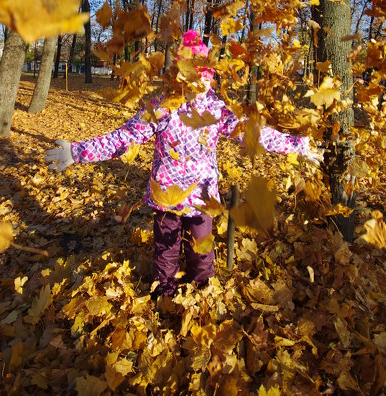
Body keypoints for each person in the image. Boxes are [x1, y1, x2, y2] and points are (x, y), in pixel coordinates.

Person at [45, 30, 321, 299]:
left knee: (202, 255)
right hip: (167, 197)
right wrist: (77, 152)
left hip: (202, 198)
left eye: (204, 77)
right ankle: (164, 299)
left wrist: (297, 146)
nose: (198, 84)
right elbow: (125, 137)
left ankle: (200, 296)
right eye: (191, 75)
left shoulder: (216, 110)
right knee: (166, 256)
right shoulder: (163, 106)